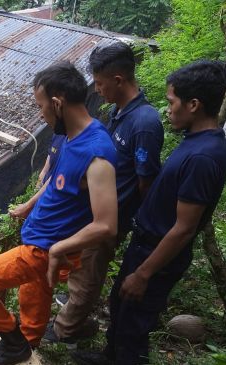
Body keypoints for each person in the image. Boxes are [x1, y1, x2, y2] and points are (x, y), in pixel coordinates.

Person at [0, 62, 118, 365]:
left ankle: (13, 342)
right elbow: (55, 182)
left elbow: (107, 225)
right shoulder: (66, 135)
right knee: (34, 290)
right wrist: (29, 205)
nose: (39, 113)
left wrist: (58, 248)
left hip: (46, 248)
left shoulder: (97, 153)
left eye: (40, 105)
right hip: (42, 239)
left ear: (57, 103)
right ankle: (29, 341)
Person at [72, 60, 226, 365]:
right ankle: (109, 357)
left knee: (135, 324)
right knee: (121, 306)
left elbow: (184, 228)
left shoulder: (202, 157)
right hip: (145, 243)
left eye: (172, 102)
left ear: (194, 105)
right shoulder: (196, 142)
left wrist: (144, 273)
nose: (168, 109)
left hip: (156, 252)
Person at [46, 42, 164, 347]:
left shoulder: (145, 123)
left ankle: (65, 331)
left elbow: (145, 182)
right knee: (81, 266)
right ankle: (71, 310)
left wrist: (122, 216)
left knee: (90, 273)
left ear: (118, 80)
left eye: (99, 83)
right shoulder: (118, 112)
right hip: (91, 210)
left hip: (111, 216)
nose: (97, 90)